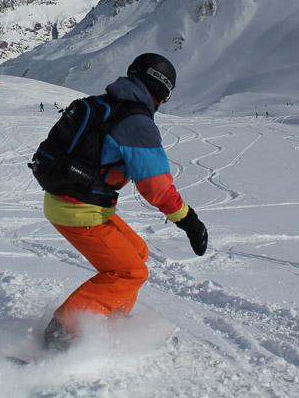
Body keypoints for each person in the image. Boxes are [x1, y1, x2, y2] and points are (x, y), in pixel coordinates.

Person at [42, 53, 208, 351]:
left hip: (74, 201)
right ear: (160, 93)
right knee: (129, 271)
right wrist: (189, 221)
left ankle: (108, 317)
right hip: (79, 209)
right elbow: (157, 186)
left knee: (137, 252)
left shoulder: (104, 104)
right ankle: (62, 335)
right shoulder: (136, 123)